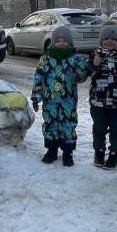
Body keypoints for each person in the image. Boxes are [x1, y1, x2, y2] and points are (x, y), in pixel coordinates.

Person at [31, 26, 90, 166]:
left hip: (68, 100)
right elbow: (38, 78)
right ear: (53, 42)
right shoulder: (46, 58)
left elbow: (82, 75)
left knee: (68, 126)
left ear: (69, 42)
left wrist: (79, 75)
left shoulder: (75, 58)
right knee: (50, 124)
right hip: (50, 100)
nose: (62, 43)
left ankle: (68, 153)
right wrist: (36, 97)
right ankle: (51, 150)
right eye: (58, 40)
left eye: (65, 41)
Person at [87, 23, 117, 169]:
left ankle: (114, 154)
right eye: (106, 38)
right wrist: (94, 64)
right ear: (101, 40)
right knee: (99, 128)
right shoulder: (95, 54)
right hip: (98, 101)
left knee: (116, 129)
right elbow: (87, 71)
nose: (110, 41)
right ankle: (99, 152)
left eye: (113, 38)